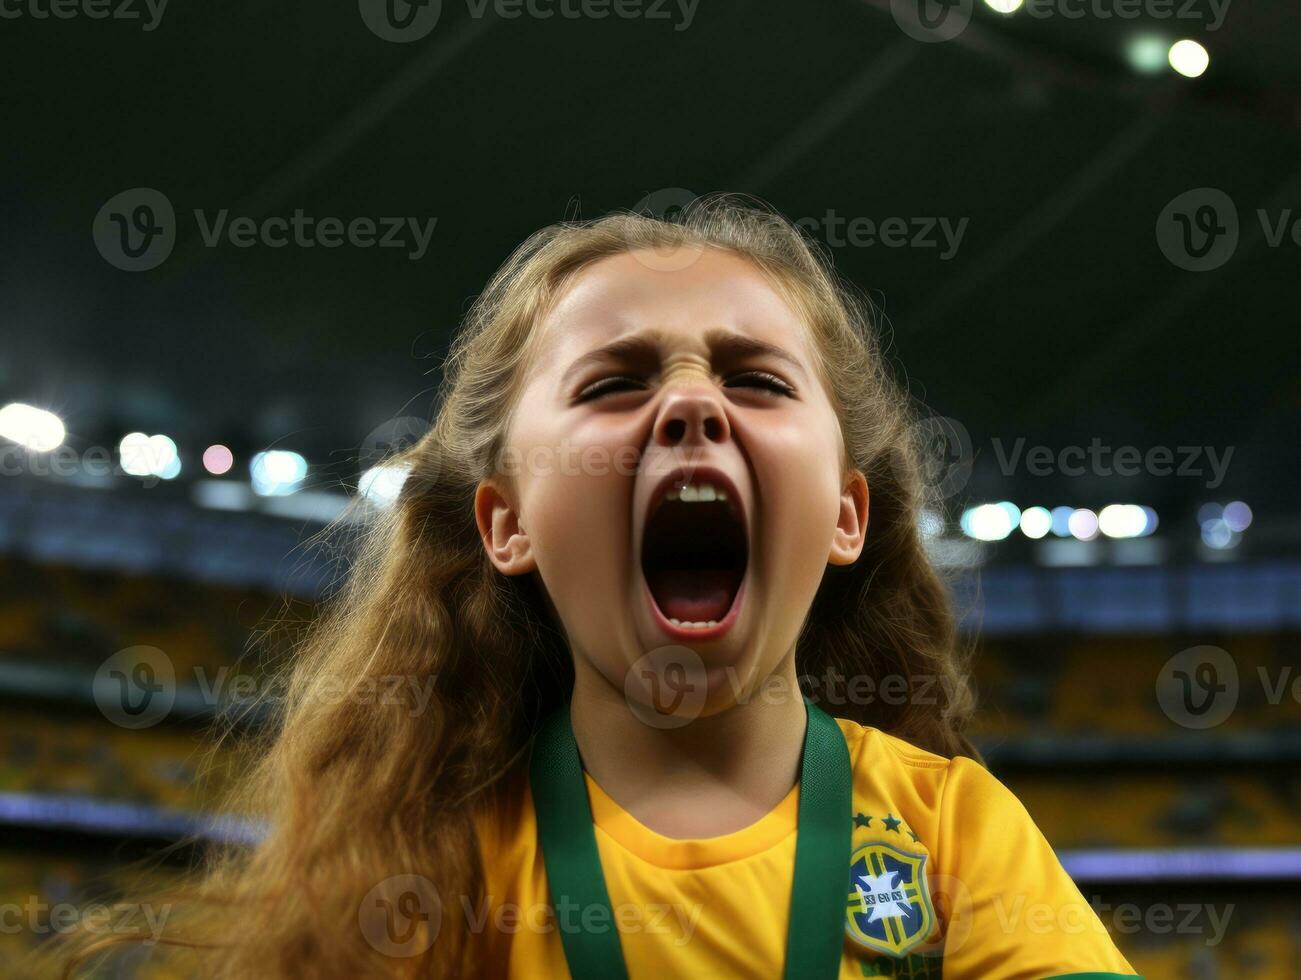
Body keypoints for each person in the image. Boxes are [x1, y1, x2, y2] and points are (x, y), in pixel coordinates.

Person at [55, 196, 1139, 979]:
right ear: (507, 520)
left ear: (847, 513)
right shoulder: (423, 862)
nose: (688, 405)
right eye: (615, 381)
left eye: (754, 378)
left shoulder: (948, 829)